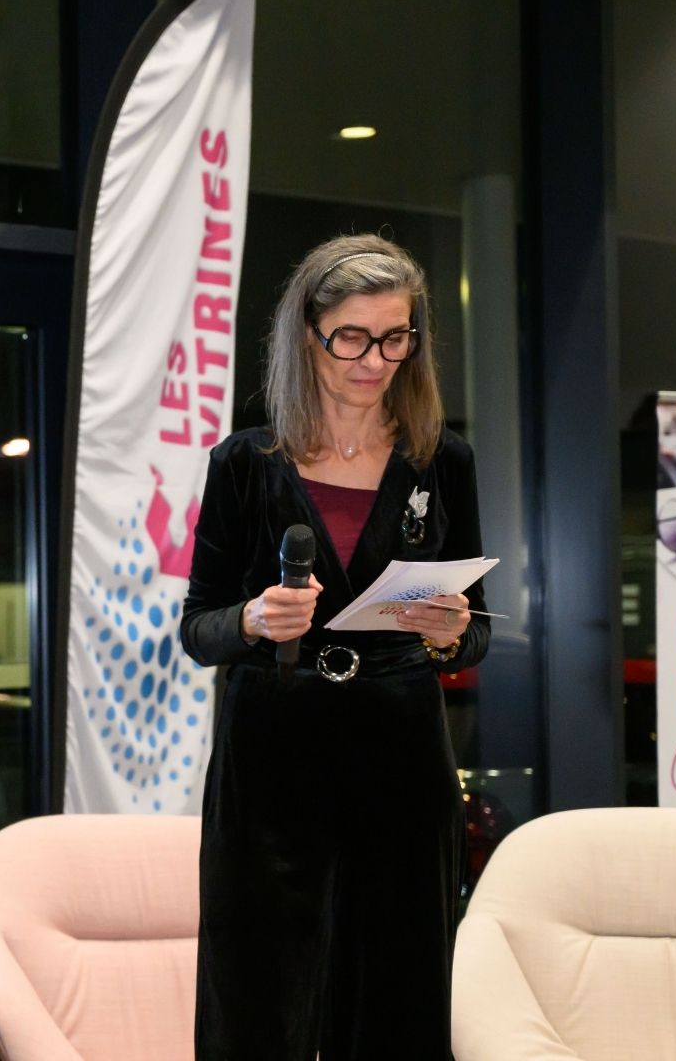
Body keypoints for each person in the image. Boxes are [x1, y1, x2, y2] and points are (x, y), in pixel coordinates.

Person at [182, 234, 488, 1060]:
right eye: (351, 338)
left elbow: (477, 630)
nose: (374, 360)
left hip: (401, 757)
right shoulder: (246, 463)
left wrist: (453, 630)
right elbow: (198, 626)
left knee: (400, 995)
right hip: (272, 756)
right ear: (306, 334)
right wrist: (253, 620)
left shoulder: (441, 461)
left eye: (395, 338)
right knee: (258, 999)